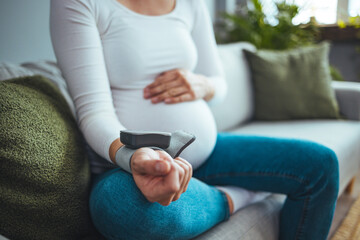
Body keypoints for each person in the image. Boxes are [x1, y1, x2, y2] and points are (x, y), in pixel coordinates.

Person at [50, 0, 339, 239]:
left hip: (208, 151)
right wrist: (132, 156)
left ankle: (204, 192)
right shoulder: (81, 4)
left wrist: (202, 85)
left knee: (320, 165)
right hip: (129, 168)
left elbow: (218, 84)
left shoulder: (190, 3)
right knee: (118, 205)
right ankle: (235, 197)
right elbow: (94, 111)